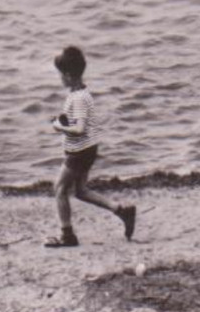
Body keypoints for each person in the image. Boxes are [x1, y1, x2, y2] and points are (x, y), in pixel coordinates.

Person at [45, 46, 136, 248]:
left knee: (59, 189)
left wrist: (58, 126)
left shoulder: (77, 98)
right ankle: (121, 210)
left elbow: (78, 128)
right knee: (80, 191)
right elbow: (79, 122)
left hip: (78, 152)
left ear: (68, 76)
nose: (60, 79)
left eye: (61, 75)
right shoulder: (82, 93)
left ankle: (67, 235)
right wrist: (64, 121)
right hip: (87, 149)